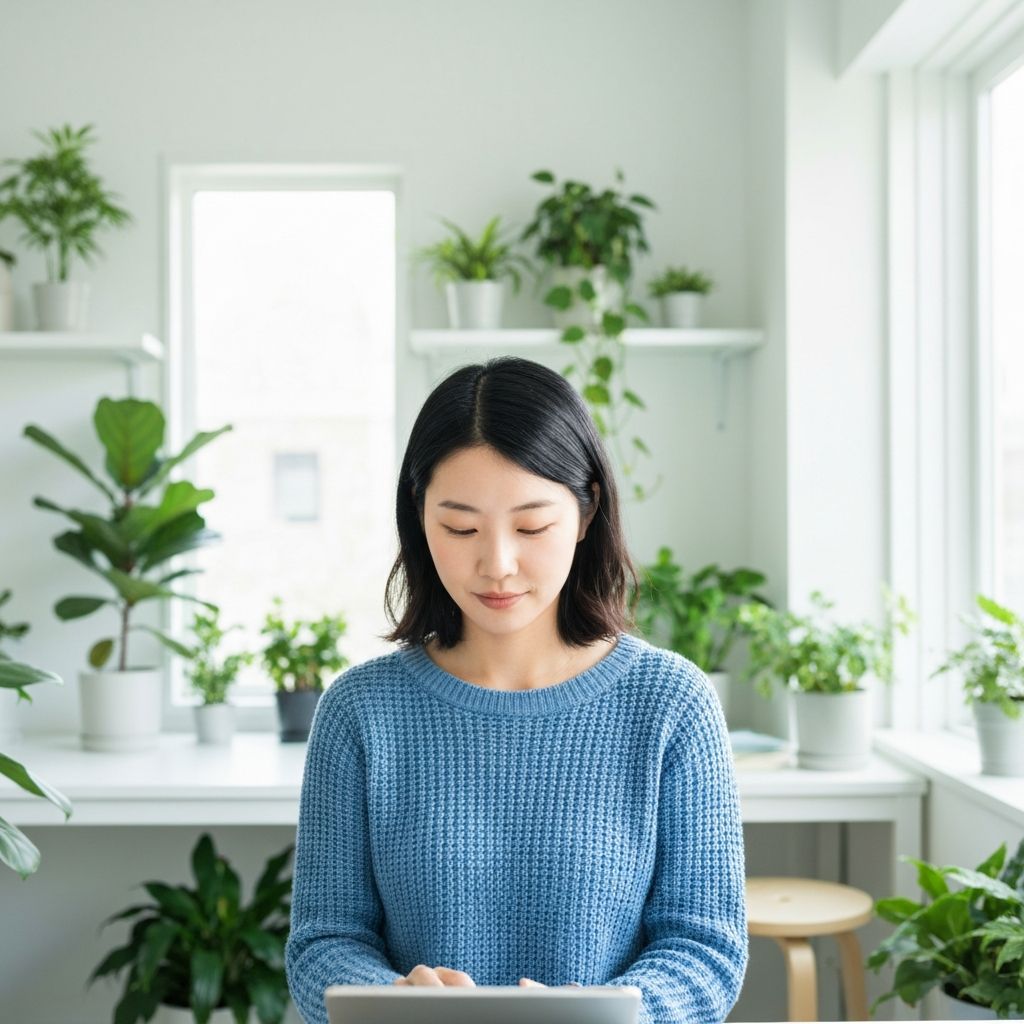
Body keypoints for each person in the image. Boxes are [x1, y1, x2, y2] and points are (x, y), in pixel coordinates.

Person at [284, 356, 748, 1024]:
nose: (497, 564)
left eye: (531, 527)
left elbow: (704, 947)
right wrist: (396, 1002)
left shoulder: (672, 705)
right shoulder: (360, 713)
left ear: (586, 511)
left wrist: (604, 1015)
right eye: (460, 528)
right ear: (418, 519)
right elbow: (324, 942)